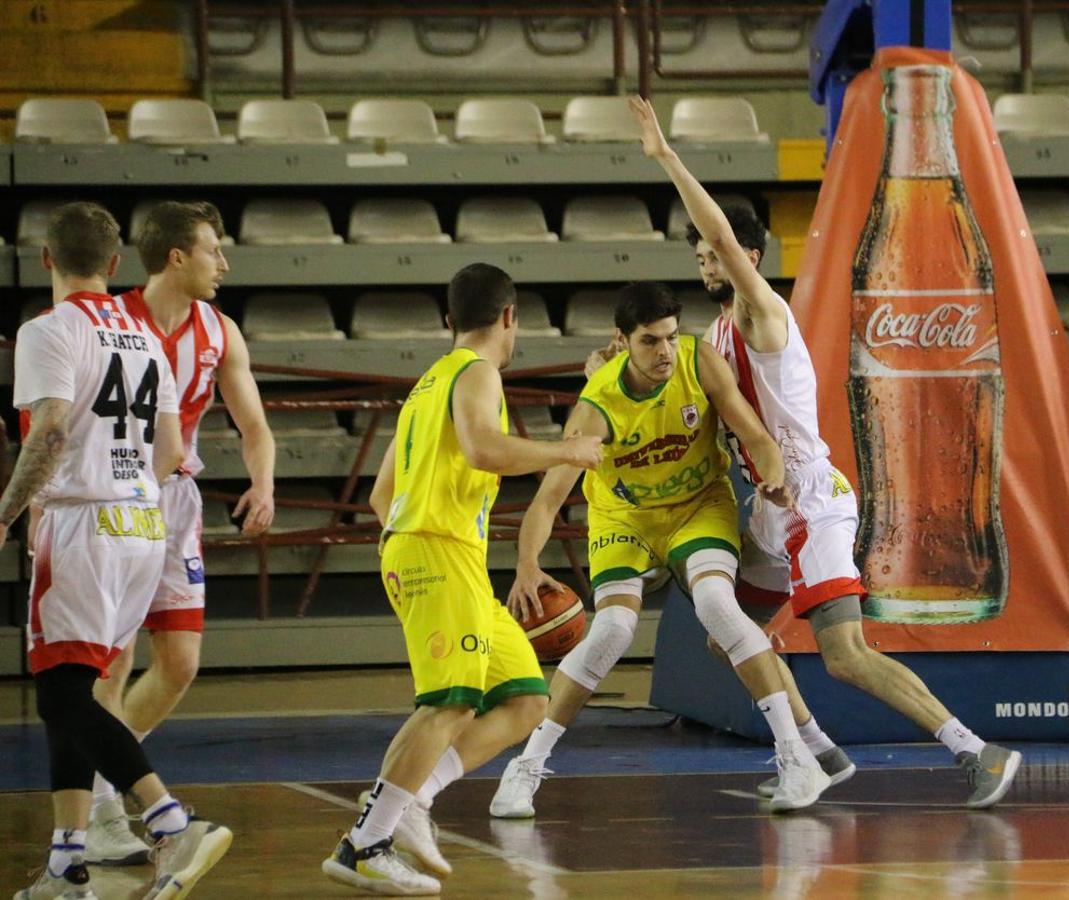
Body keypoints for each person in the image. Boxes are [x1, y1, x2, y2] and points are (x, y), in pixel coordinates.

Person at [624, 95, 1021, 808]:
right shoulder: (712, 339)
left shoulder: (762, 312)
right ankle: (819, 754)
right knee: (725, 634)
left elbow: (720, 233)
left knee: (844, 655)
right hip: (769, 505)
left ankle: (976, 751)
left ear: (746, 257)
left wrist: (666, 157)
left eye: (713, 252)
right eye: (699, 256)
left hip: (809, 496)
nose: (705, 261)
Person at [490, 282, 832, 819]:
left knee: (718, 606)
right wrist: (527, 564)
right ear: (622, 340)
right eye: (650, 341)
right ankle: (526, 768)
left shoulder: (700, 362)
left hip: (698, 507)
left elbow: (757, 437)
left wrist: (773, 479)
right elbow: (547, 500)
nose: (665, 351)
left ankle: (796, 758)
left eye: (671, 337)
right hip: (624, 518)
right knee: (611, 630)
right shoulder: (598, 406)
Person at [321, 263, 604, 895]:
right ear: (509, 317)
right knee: (449, 702)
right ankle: (365, 844)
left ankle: (413, 800)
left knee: (527, 699)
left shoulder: (427, 385)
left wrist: (417, 539)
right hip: (438, 554)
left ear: (450, 320)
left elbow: (381, 496)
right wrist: (567, 450)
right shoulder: (477, 373)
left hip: (443, 557)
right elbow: (483, 449)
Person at [6, 201, 231, 900]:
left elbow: (49, 431)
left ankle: (169, 820)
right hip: (142, 525)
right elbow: (172, 448)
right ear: (113, 263)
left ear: (47, 259)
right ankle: (66, 862)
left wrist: (7, 513)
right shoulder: (144, 338)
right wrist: (129, 492)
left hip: (83, 524)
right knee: (69, 693)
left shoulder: (47, 330)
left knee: (63, 692)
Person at [79, 200, 277, 866]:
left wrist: (262, 484)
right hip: (114, 499)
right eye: (213, 251)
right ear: (176, 257)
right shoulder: (110, 321)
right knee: (112, 662)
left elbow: (255, 427)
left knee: (181, 663)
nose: (224, 264)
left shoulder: (220, 330)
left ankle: (106, 776)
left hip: (175, 501)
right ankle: (103, 810)